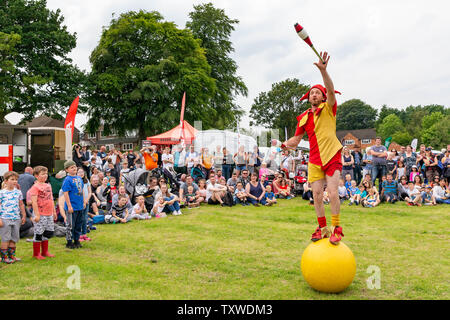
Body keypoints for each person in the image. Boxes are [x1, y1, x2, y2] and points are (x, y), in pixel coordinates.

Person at [282, 51, 344, 244]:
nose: (314, 94)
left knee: (332, 192)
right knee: (316, 194)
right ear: (309, 97)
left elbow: (331, 91)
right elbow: (296, 139)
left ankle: (336, 228)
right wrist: (286, 144)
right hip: (315, 160)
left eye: (318, 92)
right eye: (312, 93)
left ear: (323, 97)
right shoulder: (303, 117)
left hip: (332, 154)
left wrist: (324, 72)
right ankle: (322, 227)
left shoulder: (329, 108)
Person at [29, 166, 57, 260]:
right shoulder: (35, 187)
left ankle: (45, 251)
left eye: (46, 173)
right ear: (36, 176)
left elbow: (51, 199)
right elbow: (34, 202)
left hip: (49, 213)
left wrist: (53, 211)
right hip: (40, 214)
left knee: (47, 232)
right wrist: (37, 214)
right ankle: (36, 254)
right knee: (38, 233)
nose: (45, 175)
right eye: (42, 174)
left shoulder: (48, 185)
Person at [0, 171, 26, 264]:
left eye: (16, 180)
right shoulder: (2, 193)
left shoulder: (18, 192)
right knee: (5, 238)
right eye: (12, 179)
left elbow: (21, 204)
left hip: (16, 218)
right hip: (5, 219)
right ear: (6, 181)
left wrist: (23, 215)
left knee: (14, 238)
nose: (15, 181)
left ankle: (12, 256)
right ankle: (4, 257)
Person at [61, 160, 86, 249]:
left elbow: (82, 190)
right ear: (67, 170)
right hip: (72, 206)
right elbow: (66, 193)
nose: (74, 168)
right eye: (71, 167)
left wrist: (83, 201)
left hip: (79, 205)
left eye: (75, 167)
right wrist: (69, 205)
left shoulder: (79, 178)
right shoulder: (67, 180)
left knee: (78, 224)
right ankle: (69, 241)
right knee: (71, 225)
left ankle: (77, 240)